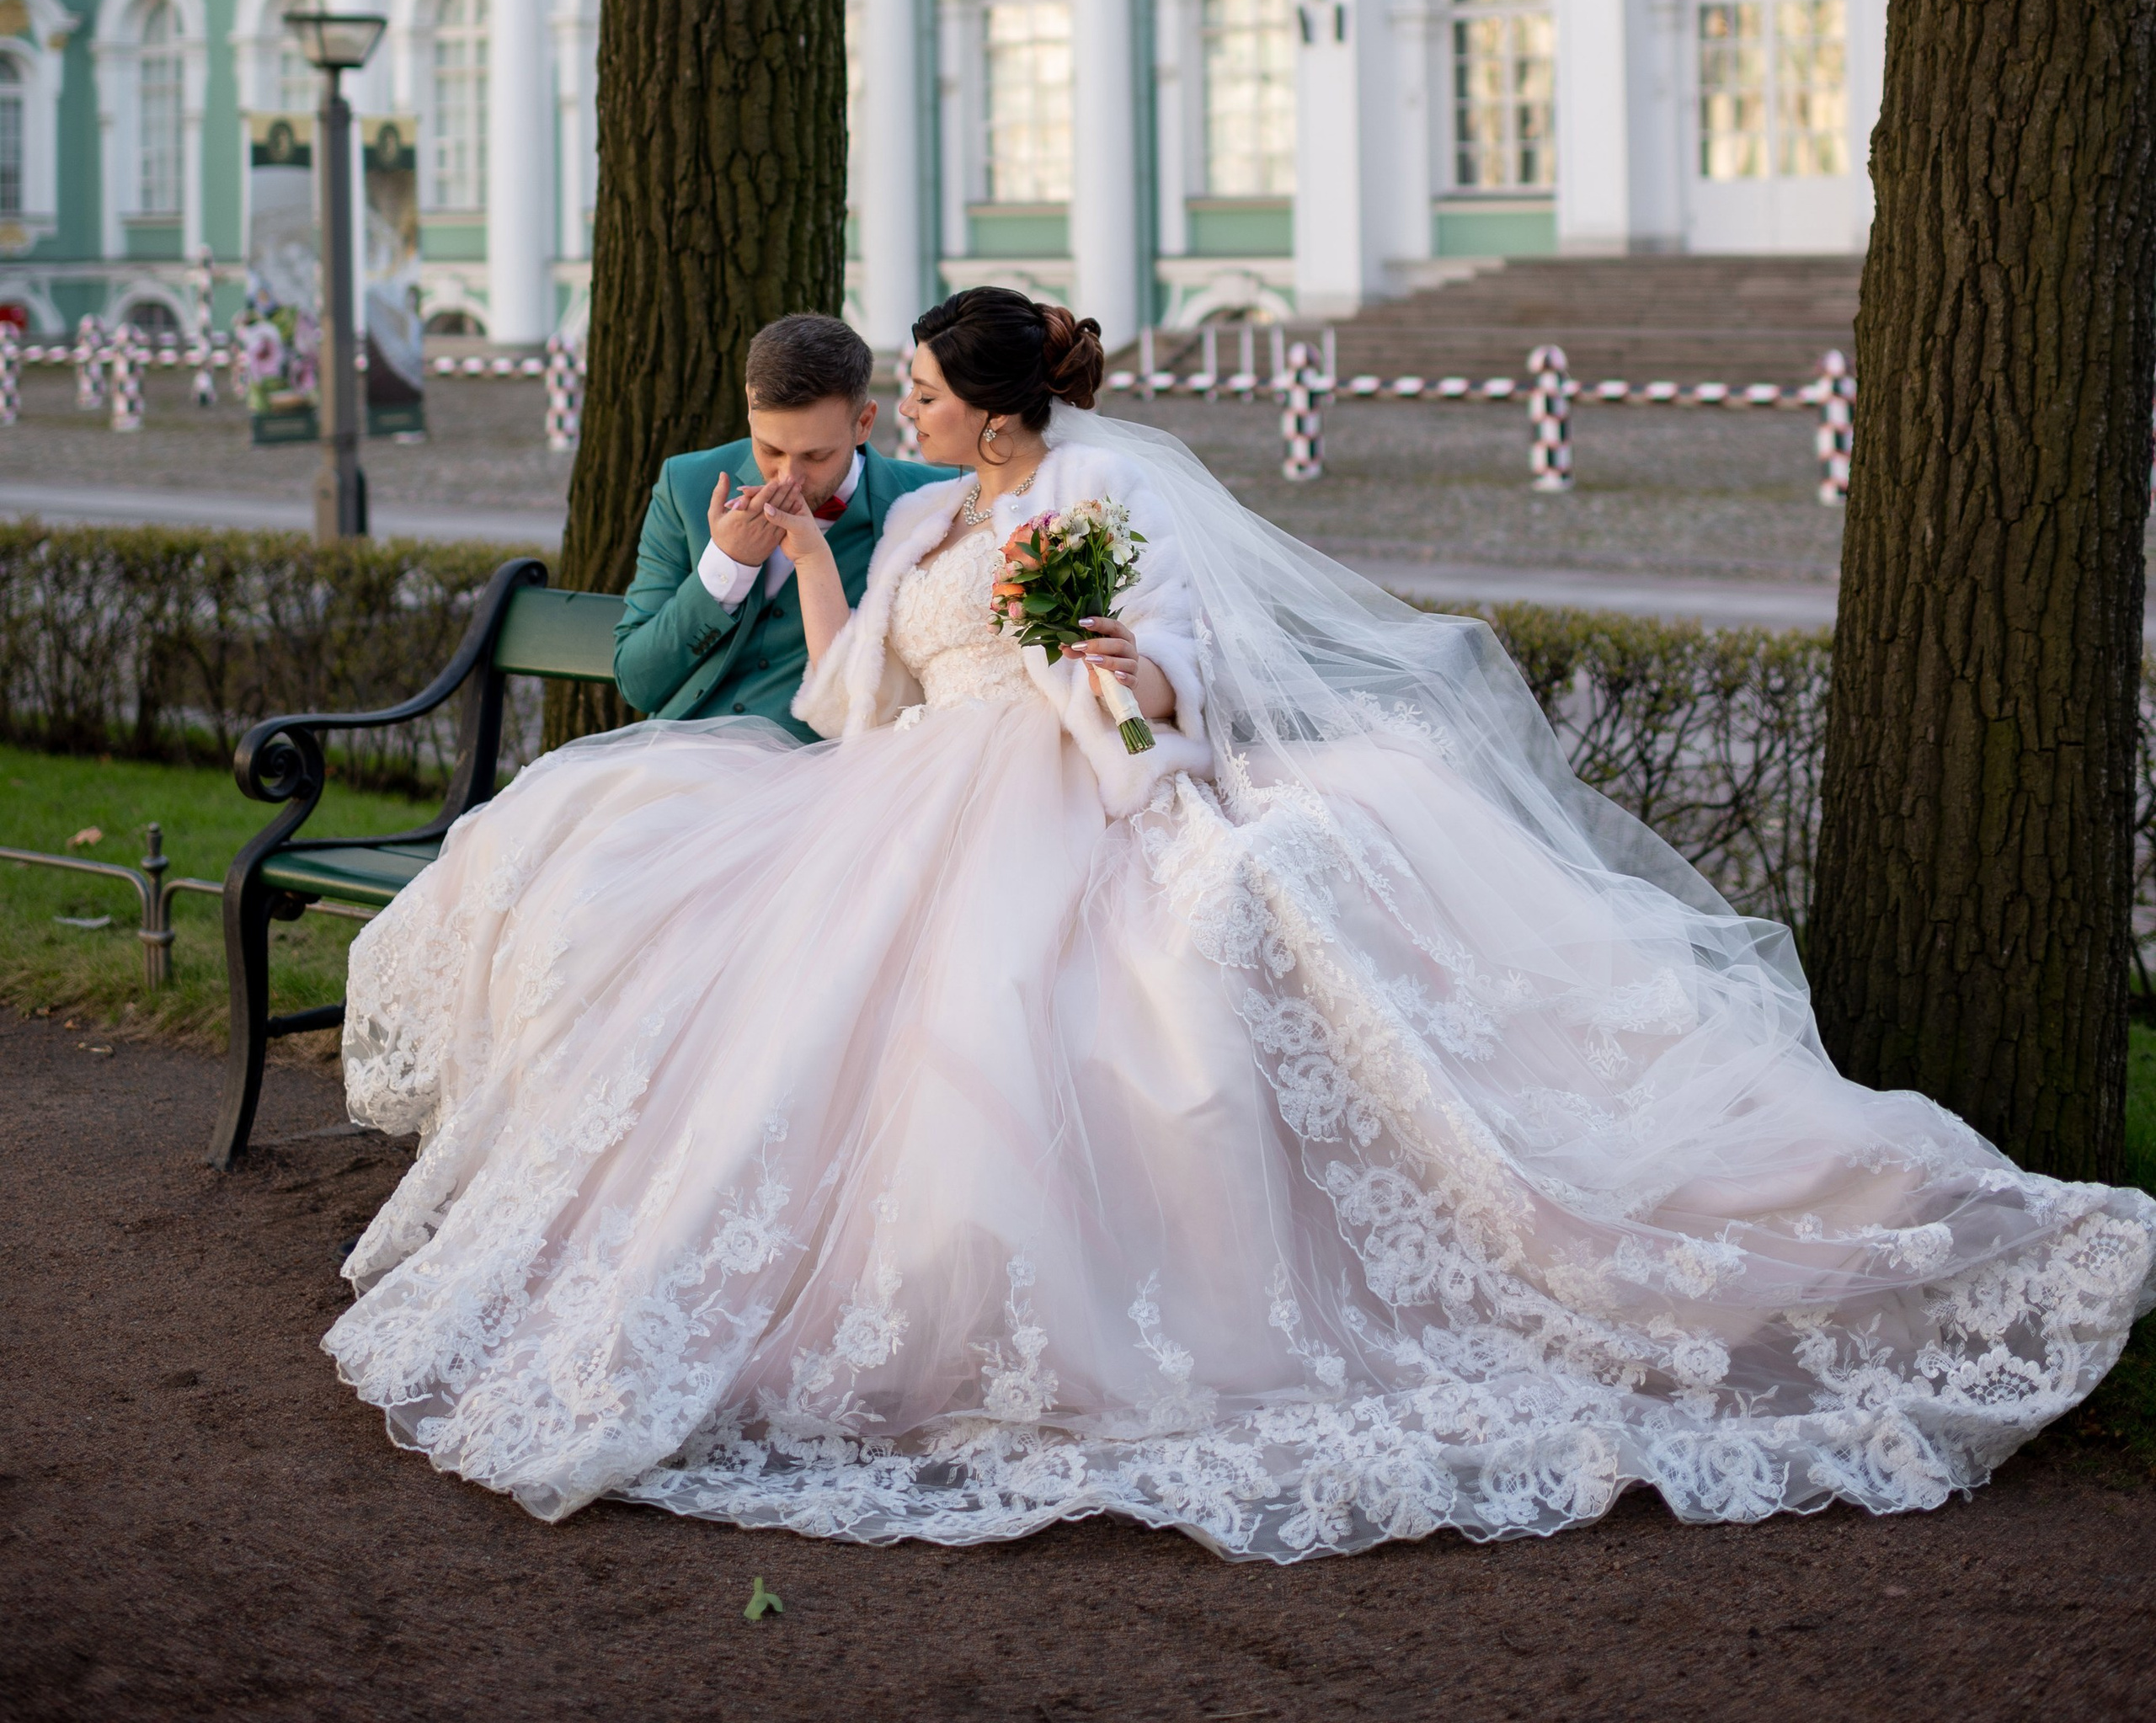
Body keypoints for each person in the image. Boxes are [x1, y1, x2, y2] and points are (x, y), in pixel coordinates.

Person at [327, 287, 2156, 1560]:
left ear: (992, 404)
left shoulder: (1094, 496)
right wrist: (806, 560)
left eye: (923, 392)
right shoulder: (905, 529)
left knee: (1122, 987)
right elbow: (840, 711)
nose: (900, 415)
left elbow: (1168, 671)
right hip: (910, 793)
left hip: (1056, 790)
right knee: (768, 987)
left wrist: (1132, 686)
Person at [611, 310, 954, 735]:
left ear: (864, 423)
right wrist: (726, 567)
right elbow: (637, 682)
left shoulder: (935, 502)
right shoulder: (686, 485)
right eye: (770, 449)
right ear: (750, 408)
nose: (787, 477)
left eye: (816, 456)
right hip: (678, 754)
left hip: (817, 774)